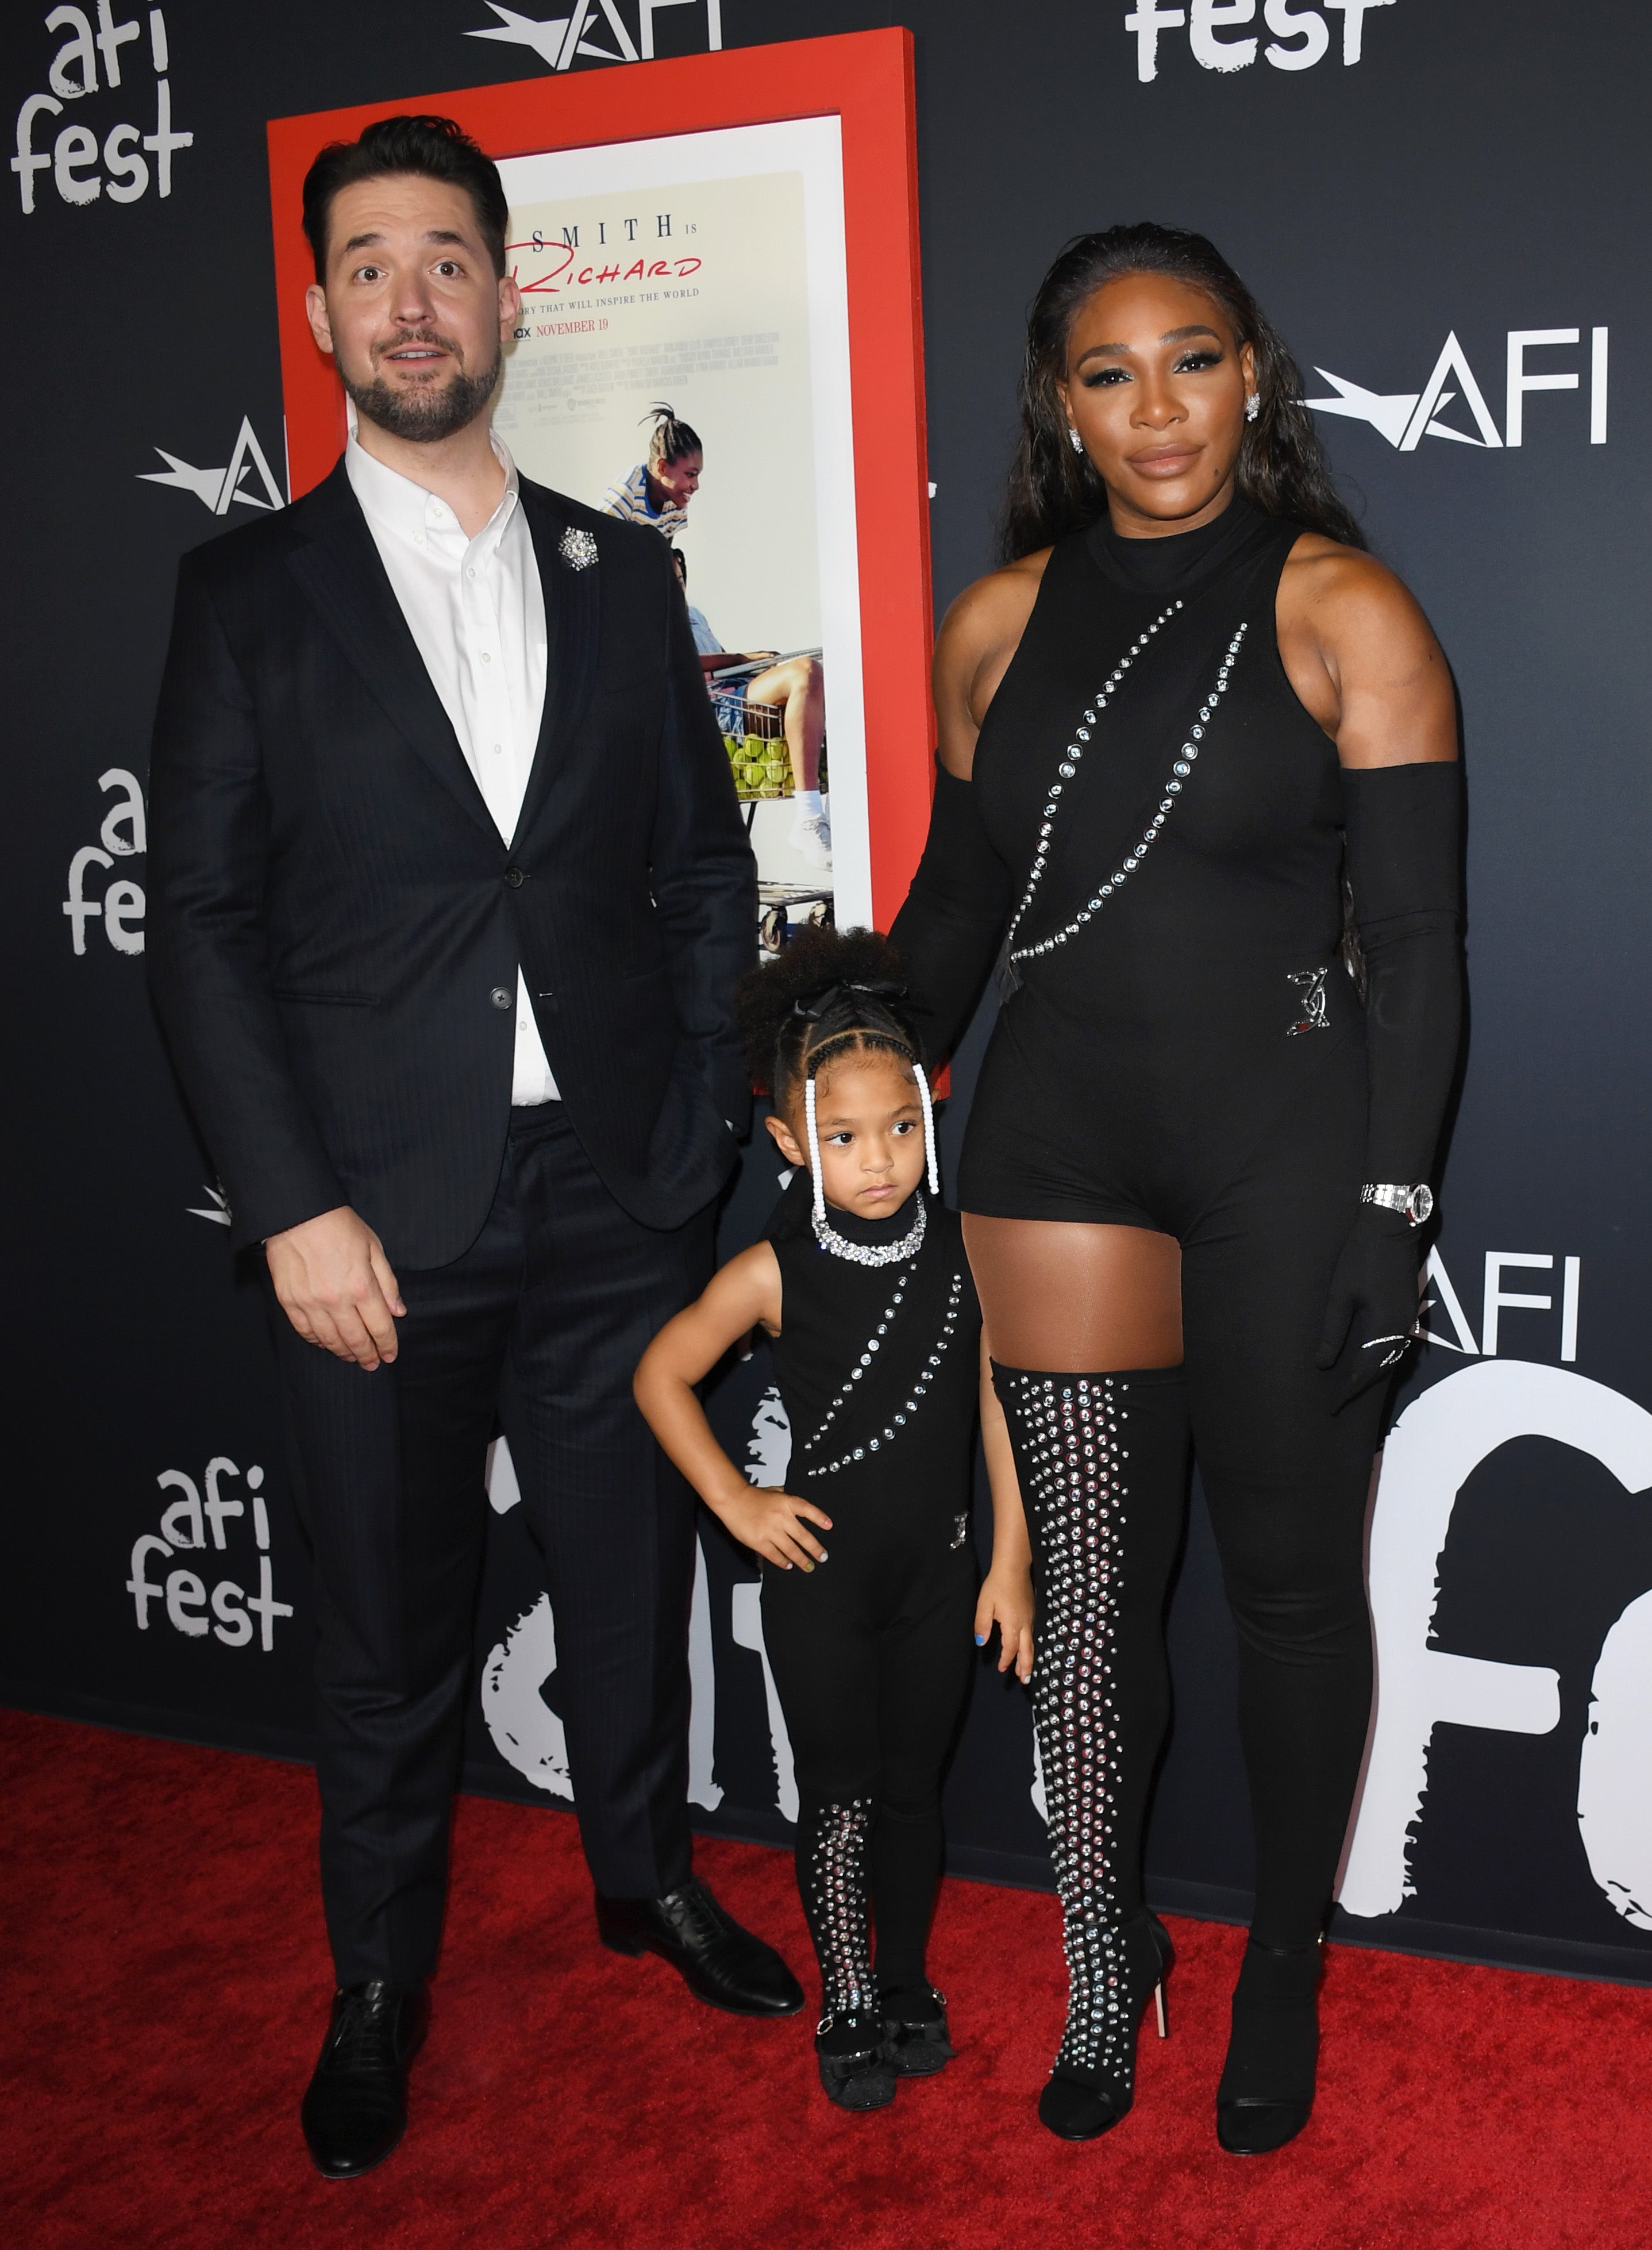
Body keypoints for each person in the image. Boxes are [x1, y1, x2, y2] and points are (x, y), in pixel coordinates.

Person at [147, 114, 802, 2184]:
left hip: (615, 1190)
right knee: (386, 1631)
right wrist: (290, 1206)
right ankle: (377, 1979)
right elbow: (203, 923)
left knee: (633, 1570)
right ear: (326, 309)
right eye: (372, 263)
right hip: (374, 1220)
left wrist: (693, 1125)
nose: (414, 296)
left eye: (450, 257)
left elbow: (704, 869)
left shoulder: (625, 577)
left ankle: (643, 1877)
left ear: (511, 298)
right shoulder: (246, 589)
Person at [889, 223, 1464, 2155]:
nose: (1155, 409)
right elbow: (955, 917)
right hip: (1054, 1153)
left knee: (1290, 1591)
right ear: (1061, 400)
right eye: (1110, 372)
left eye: (1192, 360)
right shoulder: (992, 621)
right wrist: (830, 1049)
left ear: (1251, 379)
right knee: (1090, 1595)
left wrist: (1392, 1203)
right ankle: (1099, 1953)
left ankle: (1282, 1959)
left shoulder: (1340, 606)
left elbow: (1415, 941)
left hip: (1278, 1157)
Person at [634, 926, 1035, 2111]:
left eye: (901, 1127)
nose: (878, 1160)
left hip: (938, 1574)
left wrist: (1008, 1563)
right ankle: (847, 1991)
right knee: (843, 1794)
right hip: (819, 1583)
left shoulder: (966, 1253)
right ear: (789, 1140)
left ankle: (905, 1977)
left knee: (916, 1792)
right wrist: (735, 1499)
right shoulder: (770, 1269)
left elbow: (1000, 1411)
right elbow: (661, 1374)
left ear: (928, 1113)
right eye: (845, 1137)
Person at [671, 548, 831, 870]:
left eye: (679, 579)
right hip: (710, 715)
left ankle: (833, 814)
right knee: (805, 673)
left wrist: (759, 667)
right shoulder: (643, 620)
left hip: (731, 695)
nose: (676, 588)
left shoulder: (694, 615)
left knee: (830, 680)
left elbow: (719, 660)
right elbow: (679, 662)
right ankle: (809, 817)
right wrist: (744, 659)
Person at [600, 401, 702, 540]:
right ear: (662, 468)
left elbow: (663, 553)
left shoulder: (676, 501)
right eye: (690, 474)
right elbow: (595, 542)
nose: (696, 486)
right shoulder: (626, 495)